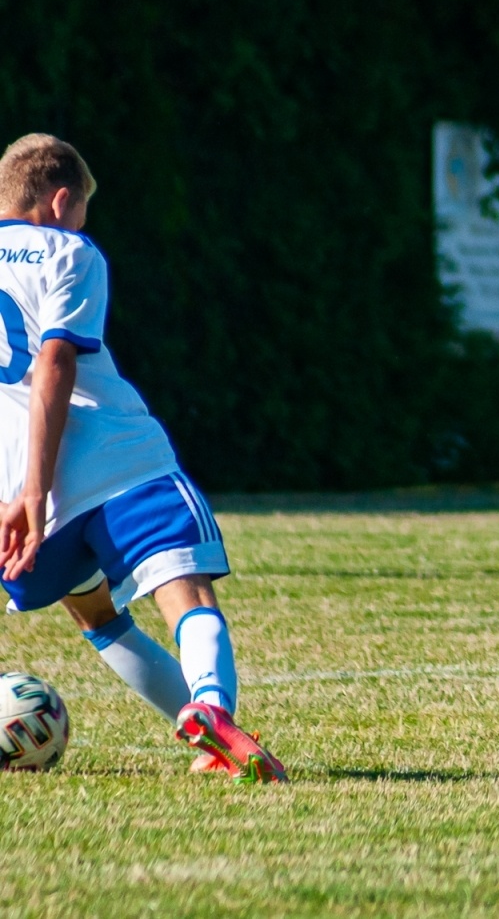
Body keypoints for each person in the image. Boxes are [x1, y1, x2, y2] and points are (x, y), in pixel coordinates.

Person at [0, 133, 286, 783]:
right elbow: (55, 360)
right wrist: (36, 492)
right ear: (61, 199)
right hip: (118, 462)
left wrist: (15, 493)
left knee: (97, 614)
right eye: (81, 211)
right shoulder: (66, 249)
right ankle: (212, 711)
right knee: (184, 592)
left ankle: (210, 740)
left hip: (13, 488)